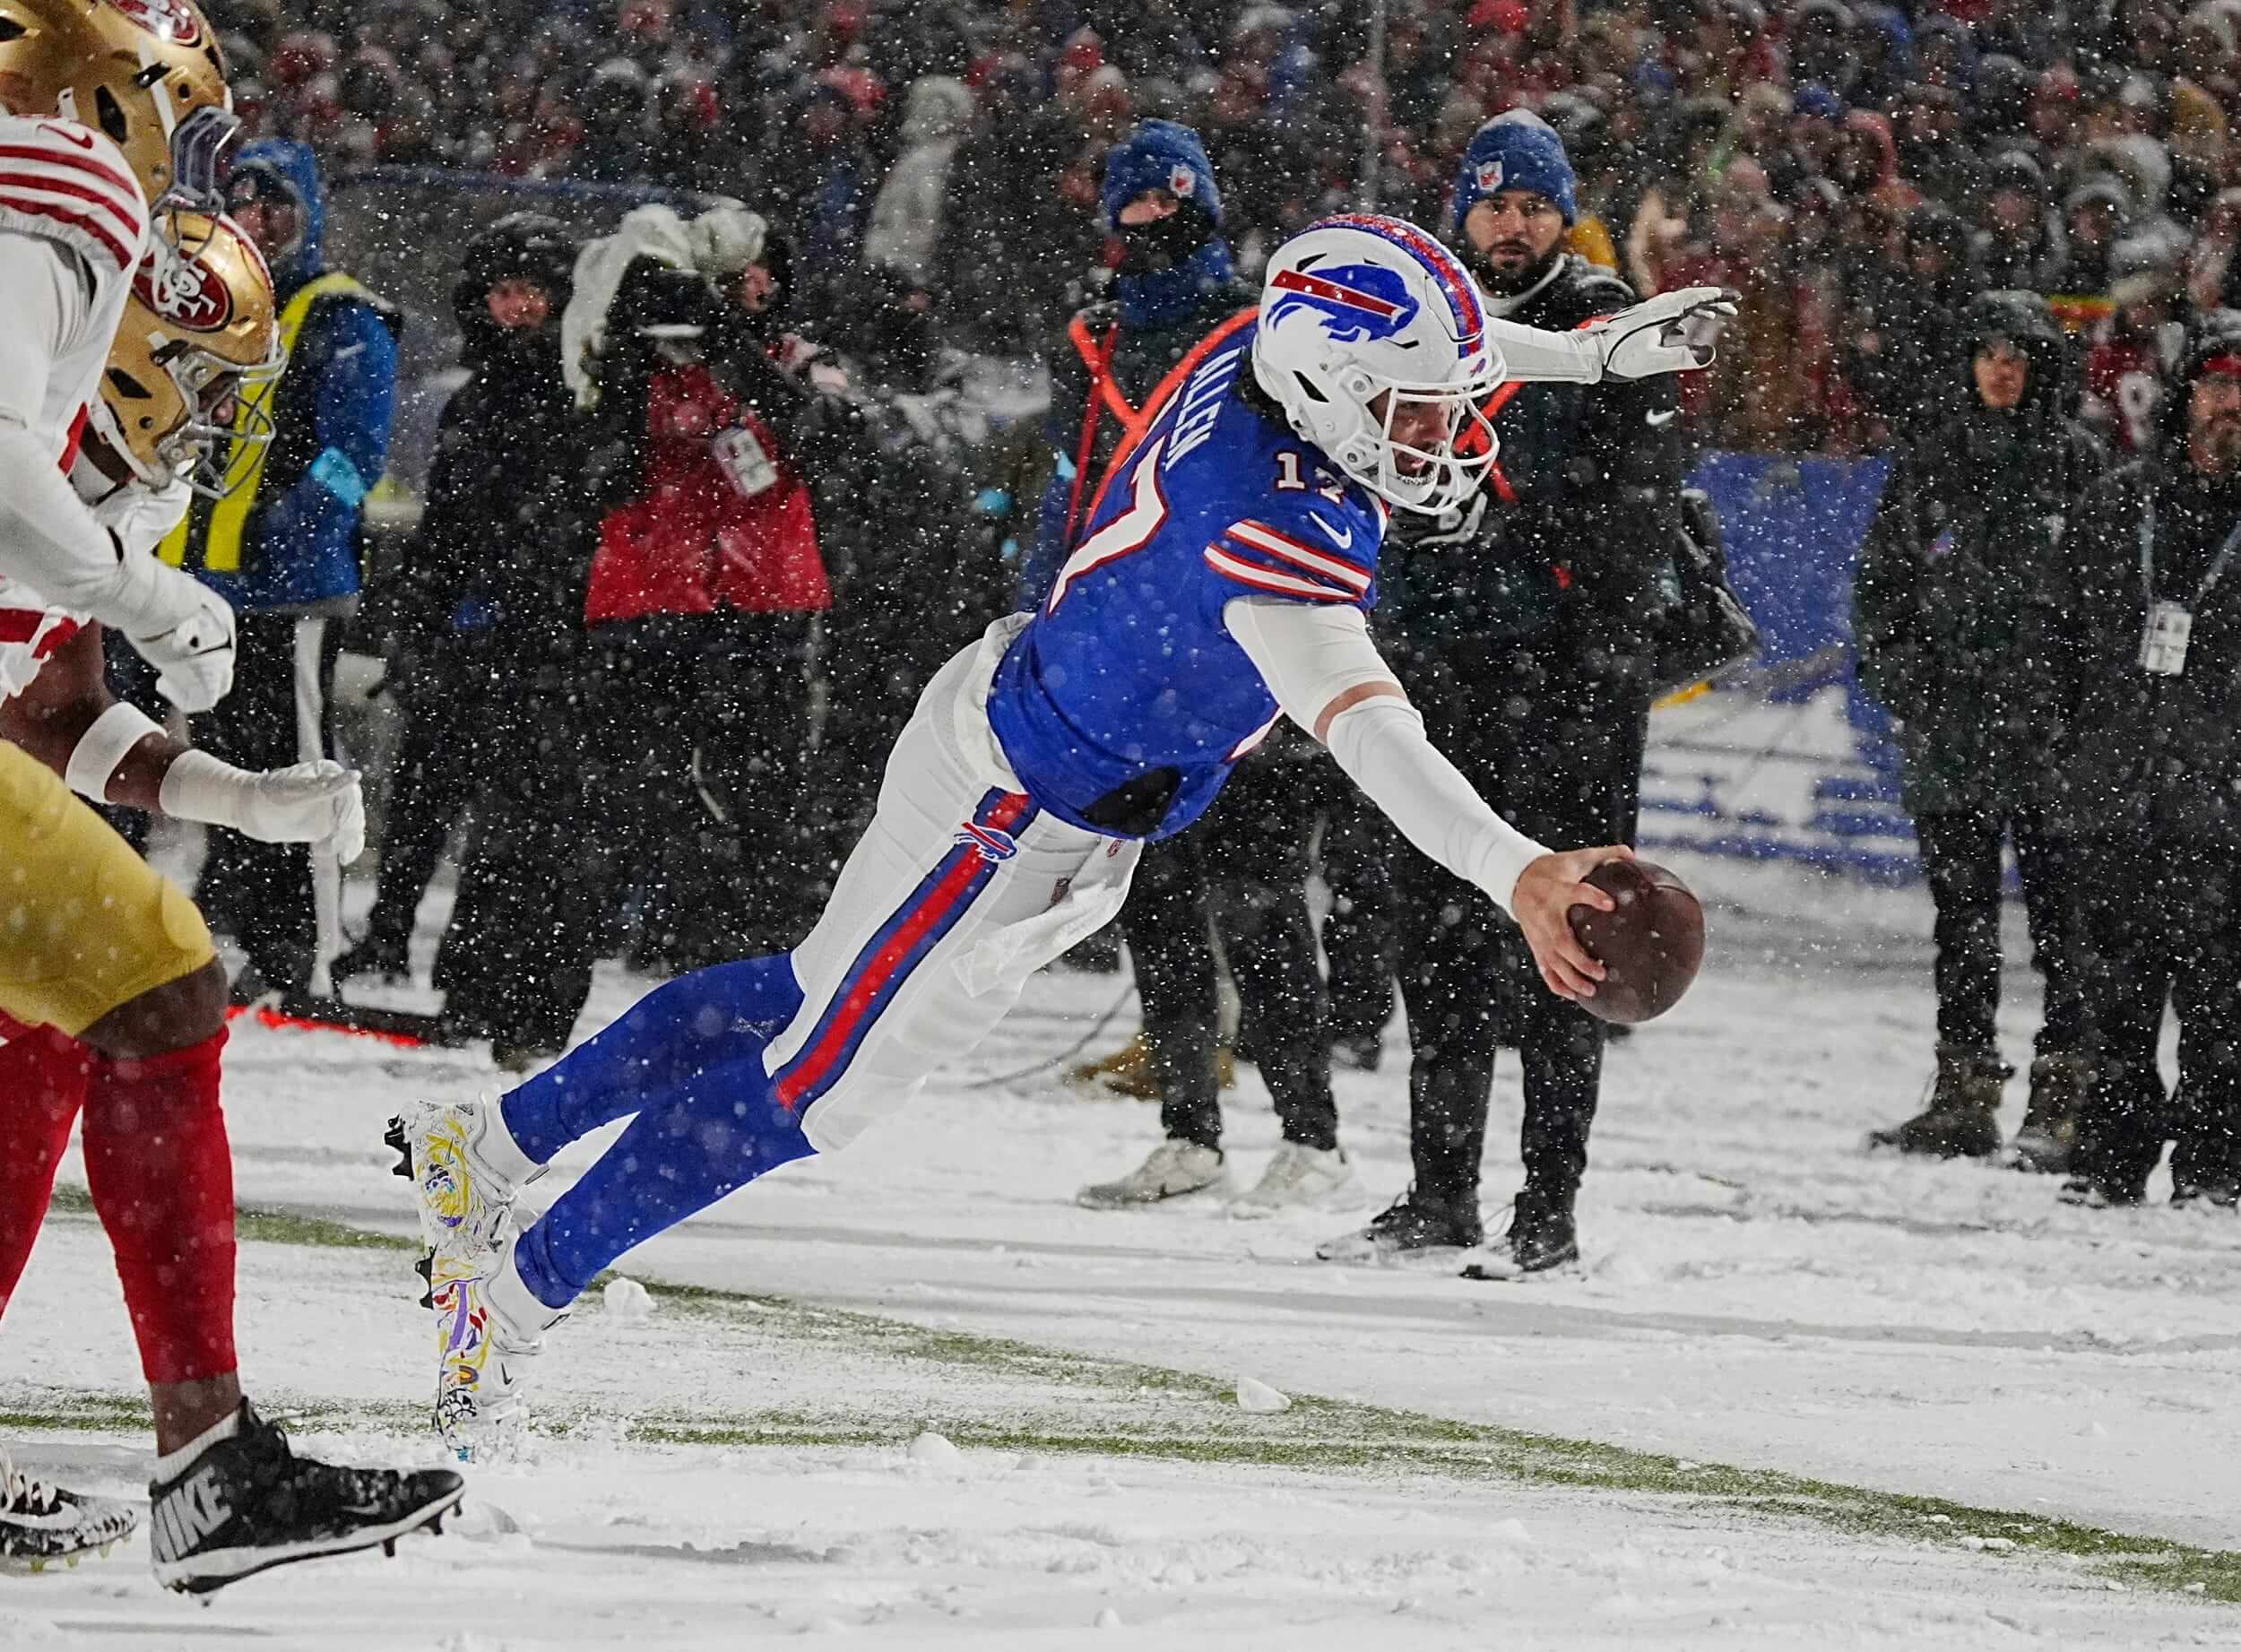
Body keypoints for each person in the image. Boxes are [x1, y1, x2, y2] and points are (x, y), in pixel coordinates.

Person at [393, 211, 1731, 1457]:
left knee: (812, 995)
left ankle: (497, 1145)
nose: (1453, 430)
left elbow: (1433, 337)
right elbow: (1378, 736)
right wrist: (1523, 867)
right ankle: (511, 1292)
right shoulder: (1271, 525)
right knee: (822, 1083)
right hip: (1015, 810)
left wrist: (1583, 354)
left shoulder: (1261, 348)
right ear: (1335, 385)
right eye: (1425, 409)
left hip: (1026, 735)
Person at [0, 5, 459, 1582]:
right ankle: (208, 1466)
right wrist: (142, 588)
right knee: (142, 996)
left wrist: (239, 796)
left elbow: (48, 719)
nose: (196, 406)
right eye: (189, 368)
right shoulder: (52, 192)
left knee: (70, 1014)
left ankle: (209, 1459)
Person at [1319, 117, 1695, 1279]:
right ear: (1463, 211)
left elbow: (1642, 513)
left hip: (1569, 687)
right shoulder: (1421, 315)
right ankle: (1439, 1195)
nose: (1512, 224)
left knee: (1575, 948)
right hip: (1439, 675)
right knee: (1436, 947)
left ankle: (1549, 1207)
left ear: (1561, 211)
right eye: (1492, 205)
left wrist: (1525, 538)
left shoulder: (1605, 318)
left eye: (1532, 204)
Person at [1025, 120, 1354, 1215]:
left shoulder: (1255, 331)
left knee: (1261, 901)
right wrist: (1045, 609)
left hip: (1245, 651)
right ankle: (1189, 1128)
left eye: (1172, 211)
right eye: (1136, 214)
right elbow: (1070, 498)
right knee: (1156, 897)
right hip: (1129, 665)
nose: (1153, 230)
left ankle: (1311, 1136)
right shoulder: (1100, 342)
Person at [1856, 291, 2105, 1170]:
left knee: (2062, 927)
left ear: (2042, 367)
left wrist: (2082, 704)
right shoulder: (1928, 462)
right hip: (1953, 733)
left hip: (2051, 740)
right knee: (1960, 925)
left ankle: (2064, 1099)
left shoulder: (2080, 465)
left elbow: (2111, 601)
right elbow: (1880, 585)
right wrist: (1908, 684)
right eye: (1989, 349)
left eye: (2020, 353)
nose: (2003, 366)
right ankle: (1963, 1096)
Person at [164, 137, 400, 999]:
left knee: (299, 769)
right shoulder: (205, 307)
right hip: (206, 587)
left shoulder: (343, 320)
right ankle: (238, 932)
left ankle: (309, 954)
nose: (258, 223)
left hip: (290, 593)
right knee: (228, 776)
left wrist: (295, 521)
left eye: (276, 208)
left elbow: (357, 454)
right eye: (243, 205)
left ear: (309, 217)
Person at [333, 213, 580, 1004]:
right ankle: (387, 939)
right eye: (504, 292)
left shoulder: (577, 401)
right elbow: (443, 528)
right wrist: (417, 629)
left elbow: (568, 525)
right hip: (461, 633)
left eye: (532, 294)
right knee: (420, 798)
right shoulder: (471, 403)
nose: (517, 308)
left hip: (533, 638)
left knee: (502, 817)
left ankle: (468, 969)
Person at [2046, 314, 2241, 1209]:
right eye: (2215, 384)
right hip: (2116, 792)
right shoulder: (2119, 504)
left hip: (2224, 802)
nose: (2229, 404)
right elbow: (2051, 642)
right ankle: (2109, 1154)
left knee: (2223, 1003)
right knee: (2113, 995)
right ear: (2185, 397)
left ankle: (2214, 1164)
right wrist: (2066, 759)